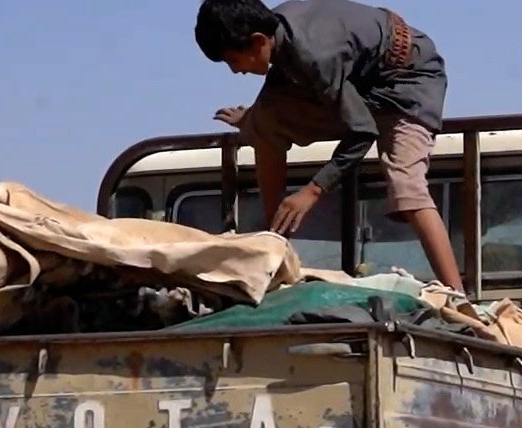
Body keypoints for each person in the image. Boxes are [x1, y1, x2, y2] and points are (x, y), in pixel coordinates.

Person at [195, 0, 465, 291]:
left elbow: (362, 131)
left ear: (258, 41)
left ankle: (459, 298)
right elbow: (280, 92)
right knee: (264, 125)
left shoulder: (314, 53)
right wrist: (253, 119)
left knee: (407, 186)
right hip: (357, 81)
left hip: (407, 80)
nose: (237, 72)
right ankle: (274, 246)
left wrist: (313, 190)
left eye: (234, 61)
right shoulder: (280, 35)